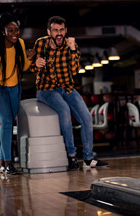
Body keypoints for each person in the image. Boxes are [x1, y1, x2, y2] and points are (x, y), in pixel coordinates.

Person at [29, 16, 108, 170]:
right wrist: (35, 63)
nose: (59, 33)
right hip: (46, 90)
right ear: (49, 31)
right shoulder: (40, 43)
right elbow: (32, 68)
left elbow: (74, 71)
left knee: (86, 117)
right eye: (55, 30)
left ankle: (88, 158)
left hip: (67, 88)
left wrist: (72, 49)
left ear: (65, 30)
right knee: (64, 110)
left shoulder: (70, 45)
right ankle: (71, 156)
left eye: (61, 30)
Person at [0, 12, 33, 175]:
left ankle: (0, 162)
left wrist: (30, 59)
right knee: (6, 121)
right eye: (10, 30)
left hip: (15, 88)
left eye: (16, 30)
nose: (15, 34)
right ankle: (8, 163)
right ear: (2, 31)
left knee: (9, 123)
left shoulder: (20, 43)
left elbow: (25, 67)